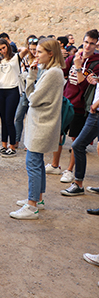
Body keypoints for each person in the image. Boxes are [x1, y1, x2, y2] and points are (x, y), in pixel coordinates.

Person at [10, 39, 65, 219]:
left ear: (51, 53)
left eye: (40, 52)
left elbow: (32, 99)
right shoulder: (51, 71)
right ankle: (37, 199)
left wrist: (31, 77)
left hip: (42, 124)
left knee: (33, 163)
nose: (36, 54)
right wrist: (34, 74)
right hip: (41, 122)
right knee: (37, 163)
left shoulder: (53, 73)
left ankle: (32, 205)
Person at [46, 30, 99, 185]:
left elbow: (84, 85)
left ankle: (69, 170)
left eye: (91, 43)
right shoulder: (75, 57)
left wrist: (78, 67)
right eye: (86, 42)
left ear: (96, 45)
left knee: (76, 140)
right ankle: (55, 165)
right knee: (58, 134)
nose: (88, 46)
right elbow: (61, 72)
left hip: (81, 107)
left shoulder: (96, 63)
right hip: (66, 102)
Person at [0, 38, 23, 157]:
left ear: (8, 46)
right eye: (0, 49)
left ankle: (12, 146)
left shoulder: (16, 57)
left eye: (4, 47)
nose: (2, 51)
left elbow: (26, 50)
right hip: (0, 90)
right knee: (3, 119)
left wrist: (17, 49)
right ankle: (4, 145)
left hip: (12, 90)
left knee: (9, 119)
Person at [14, 36, 39, 144]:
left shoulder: (41, 60)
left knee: (32, 119)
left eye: (35, 49)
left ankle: (30, 142)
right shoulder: (25, 59)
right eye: (31, 49)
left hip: (36, 91)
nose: (33, 52)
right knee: (18, 116)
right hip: (25, 90)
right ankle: (16, 140)